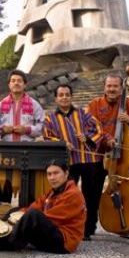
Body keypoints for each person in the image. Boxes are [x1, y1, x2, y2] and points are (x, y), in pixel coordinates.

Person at [87, 69, 129, 239]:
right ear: (104, 87)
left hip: (123, 158)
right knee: (91, 192)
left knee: (127, 191)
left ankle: (128, 225)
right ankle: (88, 228)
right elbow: (90, 127)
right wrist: (107, 139)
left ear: (121, 88)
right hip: (99, 155)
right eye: (109, 86)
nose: (112, 89)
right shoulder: (94, 105)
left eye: (115, 86)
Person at [0, 160, 86, 254]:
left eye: (56, 173)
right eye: (49, 174)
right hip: (50, 234)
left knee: (33, 215)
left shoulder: (73, 194)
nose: (52, 177)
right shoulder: (52, 191)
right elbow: (37, 204)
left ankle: (6, 243)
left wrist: (23, 218)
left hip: (63, 243)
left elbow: (52, 218)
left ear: (66, 173)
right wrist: (19, 213)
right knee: (15, 210)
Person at [43, 84, 102, 241]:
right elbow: (47, 136)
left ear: (71, 97)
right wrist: (62, 143)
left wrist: (86, 137)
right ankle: (68, 226)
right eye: (61, 95)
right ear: (56, 98)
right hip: (67, 163)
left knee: (90, 196)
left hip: (87, 160)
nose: (64, 97)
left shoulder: (83, 113)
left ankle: (88, 229)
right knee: (68, 196)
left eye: (67, 94)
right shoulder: (50, 118)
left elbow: (98, 128)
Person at [0, 69, 44, 203]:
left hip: (27, 151)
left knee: (27, 189)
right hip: (6, 152)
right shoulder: (1, 104)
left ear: (25, 84)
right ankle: (1, 218)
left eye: (19, 81)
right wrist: (3, 129)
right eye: (13, 81)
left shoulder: (34, 104)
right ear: (9, 84)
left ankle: (26, 218)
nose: (16, 83)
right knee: (3, 187)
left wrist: (26, 129)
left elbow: (41, 127)